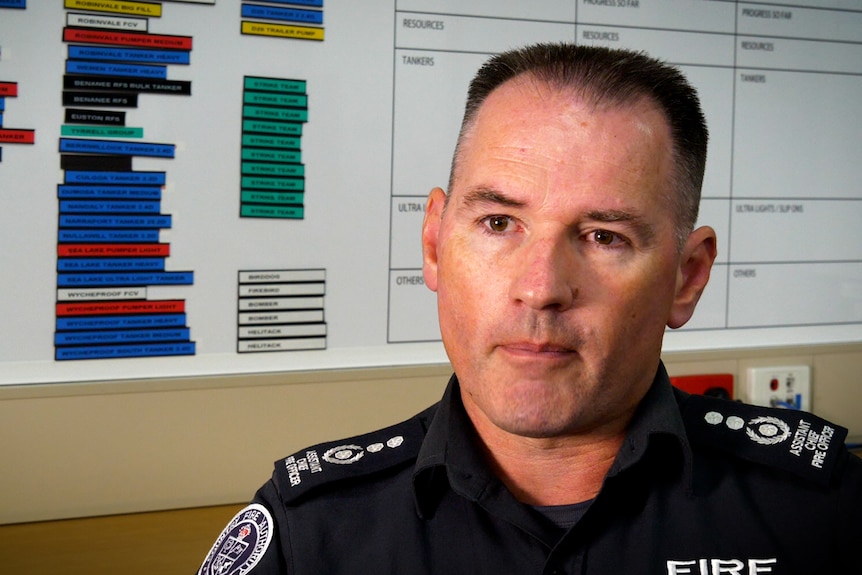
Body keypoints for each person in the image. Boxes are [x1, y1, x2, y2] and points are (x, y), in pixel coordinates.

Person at [198, 44, 861, 574]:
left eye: (605, 236)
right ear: (433, 243)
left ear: (686, 277)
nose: (541, 287)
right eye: (497, 223)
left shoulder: (823, 511)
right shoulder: (308, 532)